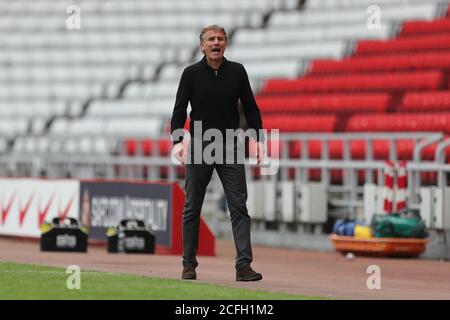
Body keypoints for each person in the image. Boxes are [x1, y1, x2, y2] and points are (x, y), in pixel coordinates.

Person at [170, 25, 264, 281]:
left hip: (231, 143)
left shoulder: (237, 71)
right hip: (201, 142)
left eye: (220, 39)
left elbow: (252, 108)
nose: (216, 42)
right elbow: (179, 111)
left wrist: (259, 139)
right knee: (192, 207)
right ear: (202, 45)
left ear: (226, 44)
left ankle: (243, 266)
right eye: (211, 39)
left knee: (239, 207)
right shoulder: (190, 74)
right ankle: (189, 265)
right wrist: (178, 141)